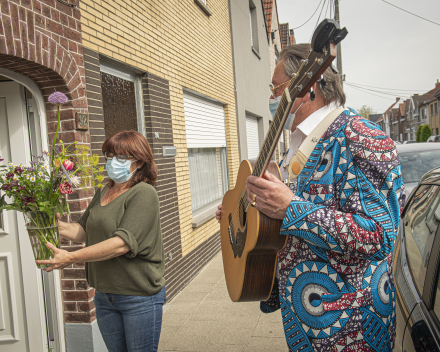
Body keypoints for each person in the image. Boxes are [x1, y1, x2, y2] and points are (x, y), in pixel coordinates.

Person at [216, 44, 405, 352]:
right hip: (305, 324)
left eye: (276, 87)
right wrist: (248, 215)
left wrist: (291, 208)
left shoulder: (362, 136)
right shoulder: (295, 143)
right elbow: (287, 221)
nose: (272, 97)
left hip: (351, 330)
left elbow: (382, 235)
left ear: (307, 86)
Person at [37, 130, 166, 352]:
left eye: (122, 158)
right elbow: (82, 231)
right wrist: (48, 223)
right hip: (105, 296)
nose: (113, 162)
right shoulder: (103, 191)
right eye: (110, 156)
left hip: (139, 296)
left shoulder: (144, 193)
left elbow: (122, 243)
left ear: (140, 162)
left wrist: (71, 257)